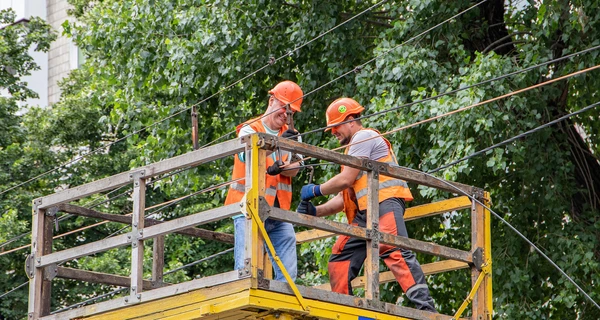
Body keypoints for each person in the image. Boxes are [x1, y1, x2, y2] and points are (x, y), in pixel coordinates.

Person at [297, 97, 437, 312]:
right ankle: (346, 310)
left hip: (385, 203)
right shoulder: (353, 149)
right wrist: (317, 211)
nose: (333, 133)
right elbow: (344, 195)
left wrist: (316, 190)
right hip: (366, 214)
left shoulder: (364, 136)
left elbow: (344, 180)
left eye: (336, 126)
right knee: (340, 257)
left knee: (393, 250)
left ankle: (427, 311)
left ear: (351, 120)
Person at [225, 80, 303, 281]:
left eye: (290, 112)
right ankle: (242, 294)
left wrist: (285, 148)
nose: (286, 115)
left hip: (277, 210)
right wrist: (278, 146)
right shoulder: (249, 129)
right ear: (271, 101)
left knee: (288, 248)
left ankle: (285, 299)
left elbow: (294, 171)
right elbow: (247, 155)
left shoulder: (293, 136)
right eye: (283, 108)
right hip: (248, 206)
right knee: (246, 263)